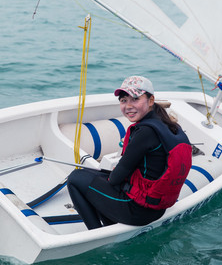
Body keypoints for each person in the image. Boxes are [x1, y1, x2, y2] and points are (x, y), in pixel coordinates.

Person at [67, 76, 192, 230]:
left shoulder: (145, 132)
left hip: (137, 211)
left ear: (151, 100)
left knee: (75, 177)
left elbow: (115, 179)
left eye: (135, 99)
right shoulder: (168, 124)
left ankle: (96, 233)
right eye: (123, 100)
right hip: (157, 208)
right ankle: (109, 222)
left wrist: (112, 176)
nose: (128, 106)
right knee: (93, 175)